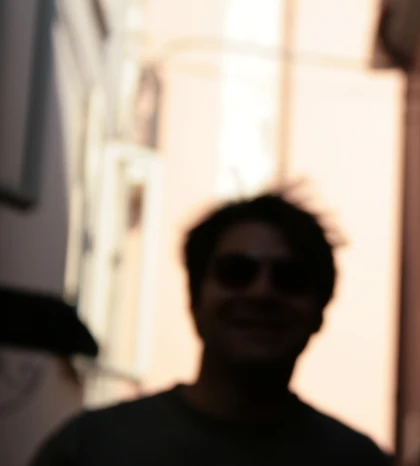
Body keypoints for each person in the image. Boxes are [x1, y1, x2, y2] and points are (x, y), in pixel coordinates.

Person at [31, 192, 391, 465]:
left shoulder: (357, 460)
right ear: (194, 297)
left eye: (291, 278)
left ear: (319, 312)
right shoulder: (90, 449)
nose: (262, 291)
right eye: (237, 272)